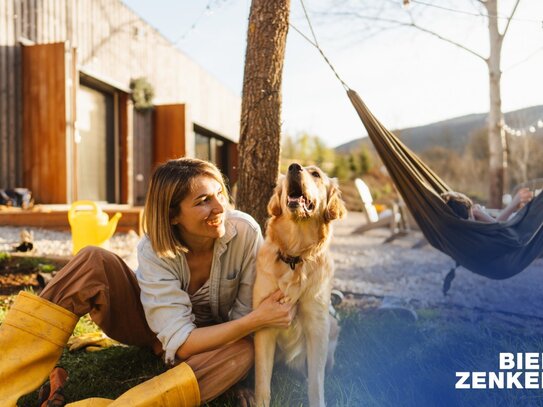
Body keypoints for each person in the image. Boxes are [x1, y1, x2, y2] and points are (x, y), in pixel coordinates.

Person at [0, 158, 295, 406]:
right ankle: (6, 375)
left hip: (219, 341)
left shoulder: (244, 232)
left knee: (242, 352)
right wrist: (258, 319)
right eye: (203, 201)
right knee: (92, 260)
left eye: (220, 193)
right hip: (152, 328)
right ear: (173, 215)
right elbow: (185, 339)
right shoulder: (153, 248)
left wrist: (248, 327)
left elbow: (242, 316)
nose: (219, 207)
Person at [441, 187, 534, 223]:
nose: (475, 208)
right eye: (471, 209)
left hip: (518, 220)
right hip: (522, 225)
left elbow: (497, 224)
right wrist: (512, 205)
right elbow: (502, 229)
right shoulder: (474, 220)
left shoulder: (472, 228)